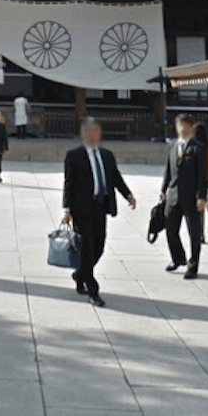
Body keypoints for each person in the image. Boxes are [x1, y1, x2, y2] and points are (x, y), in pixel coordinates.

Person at [62, 117, 136, 307]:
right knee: (86, 248)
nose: (93, 135)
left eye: (96, 132)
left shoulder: (107, 155)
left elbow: (116, 178)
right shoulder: (74, 155)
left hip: (101, 207)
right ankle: (92, 290)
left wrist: (128, 195)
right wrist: (66, 209)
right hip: (81, 208)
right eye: (89, 132)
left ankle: (80, 274)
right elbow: (68, 184)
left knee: (99, 246)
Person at [160, 113, 207, 279]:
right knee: (170, 229)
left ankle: (193, 266)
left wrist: (201, 196)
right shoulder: (173, 146)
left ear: (191, 127)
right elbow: (168, 170)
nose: (182, 129)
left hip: (191, 197)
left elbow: (202, 174)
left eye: (185, 126)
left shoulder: (198, 148)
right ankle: (177, 258)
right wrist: (163, 189)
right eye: (179, 125)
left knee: (194, 233)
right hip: (173, 195)